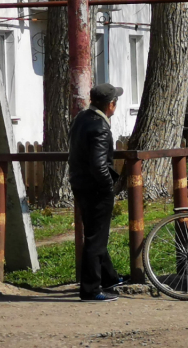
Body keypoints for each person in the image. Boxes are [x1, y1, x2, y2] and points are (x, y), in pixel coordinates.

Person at [68, 83, 125, 302]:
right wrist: (107, 188)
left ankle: (110, 278)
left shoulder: (81, 118)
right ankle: (90, 289)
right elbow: (99, 165)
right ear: (111, 105)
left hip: (80, 183)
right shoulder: (100, 126)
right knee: (96, 239)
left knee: (94, 233)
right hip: (96, 188)